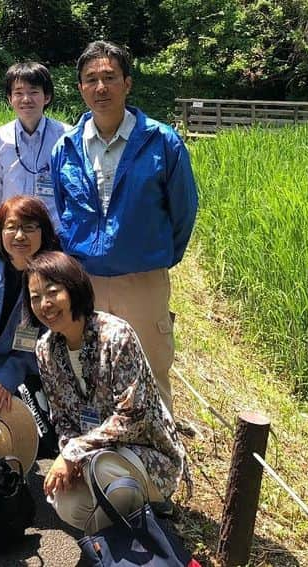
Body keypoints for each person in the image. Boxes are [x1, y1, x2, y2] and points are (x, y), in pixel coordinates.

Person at [51, 41, 197, 414]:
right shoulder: (66, 147)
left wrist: (151, 255)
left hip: (143, 280)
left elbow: (183, 213)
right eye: (91, 79)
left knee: (149, 372)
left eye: (110, 78)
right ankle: (101, 463)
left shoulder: (162, 142)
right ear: (80, 87)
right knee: (91, 372)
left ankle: (156, 463)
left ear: (127, 84)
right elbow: (63, 209)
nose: (101, 88)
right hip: (86, 282)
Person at [25, 251, 186, 534]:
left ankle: (118, 541)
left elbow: (132, 417)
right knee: (64, 500)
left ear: (74, 288)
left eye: (52, 292)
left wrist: (75, 453)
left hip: (148, 455)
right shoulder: (45, 348)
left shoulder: (115, 335)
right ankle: (120, 545)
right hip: (91, 458)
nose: (44, 304)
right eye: (35, 297)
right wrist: (70, 453)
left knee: (105, 471)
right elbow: (61, 418)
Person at [0, 195, 60, 457]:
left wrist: (4, 380)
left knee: (25, 436)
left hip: (14, 369)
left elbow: (38, 344)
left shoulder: (50, 281)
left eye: (29, 227)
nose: (20, 236)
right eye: (11, 227)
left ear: (44, 233)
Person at [0, 62, 67, 229]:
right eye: (19, 93)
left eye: (34, 92)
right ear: (10, 99)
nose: (26, 99)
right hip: (16, 232)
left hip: (55, 230)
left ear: (47, 96)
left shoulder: (66, 136)